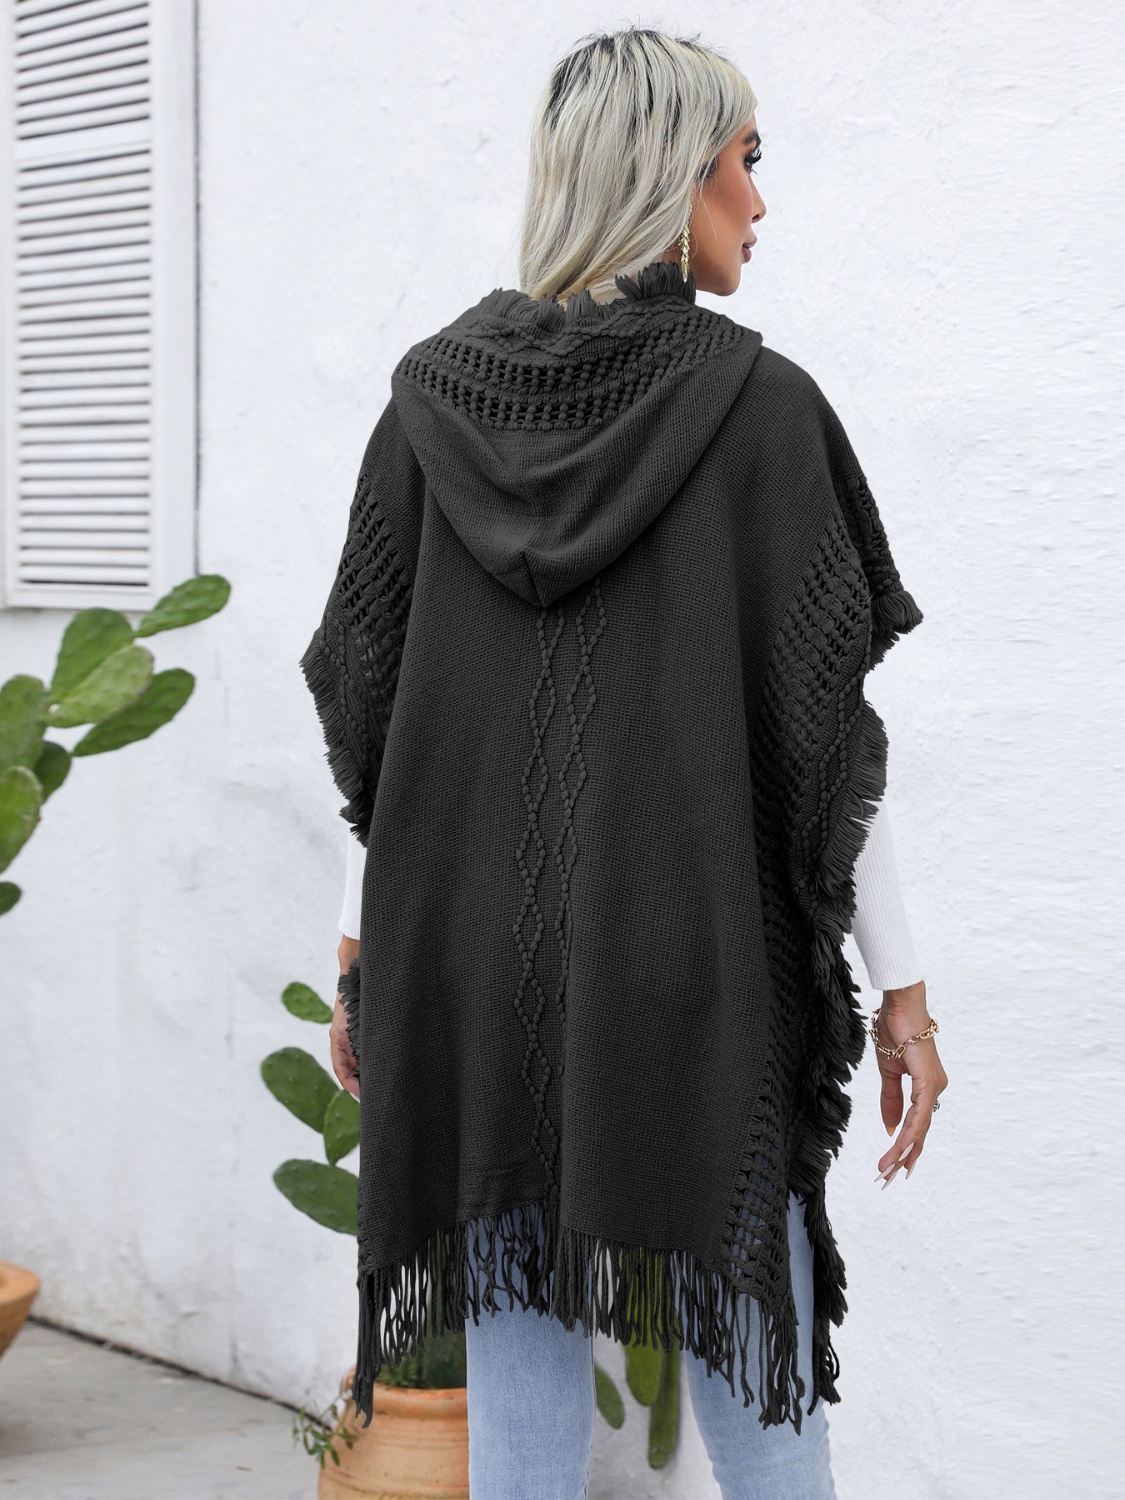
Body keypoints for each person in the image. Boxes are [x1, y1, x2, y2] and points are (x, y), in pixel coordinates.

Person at [302, 26, 948, 1500]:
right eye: (743, 163)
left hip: (478, 969)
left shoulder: (424, 406)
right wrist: (900, 989)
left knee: (520, 1393)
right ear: (669, 178)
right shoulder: (761, 411)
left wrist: (360, 952)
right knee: (753, 1376)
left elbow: (387, 725)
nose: (759, 203)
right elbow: (825, 739)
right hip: (690, 972)